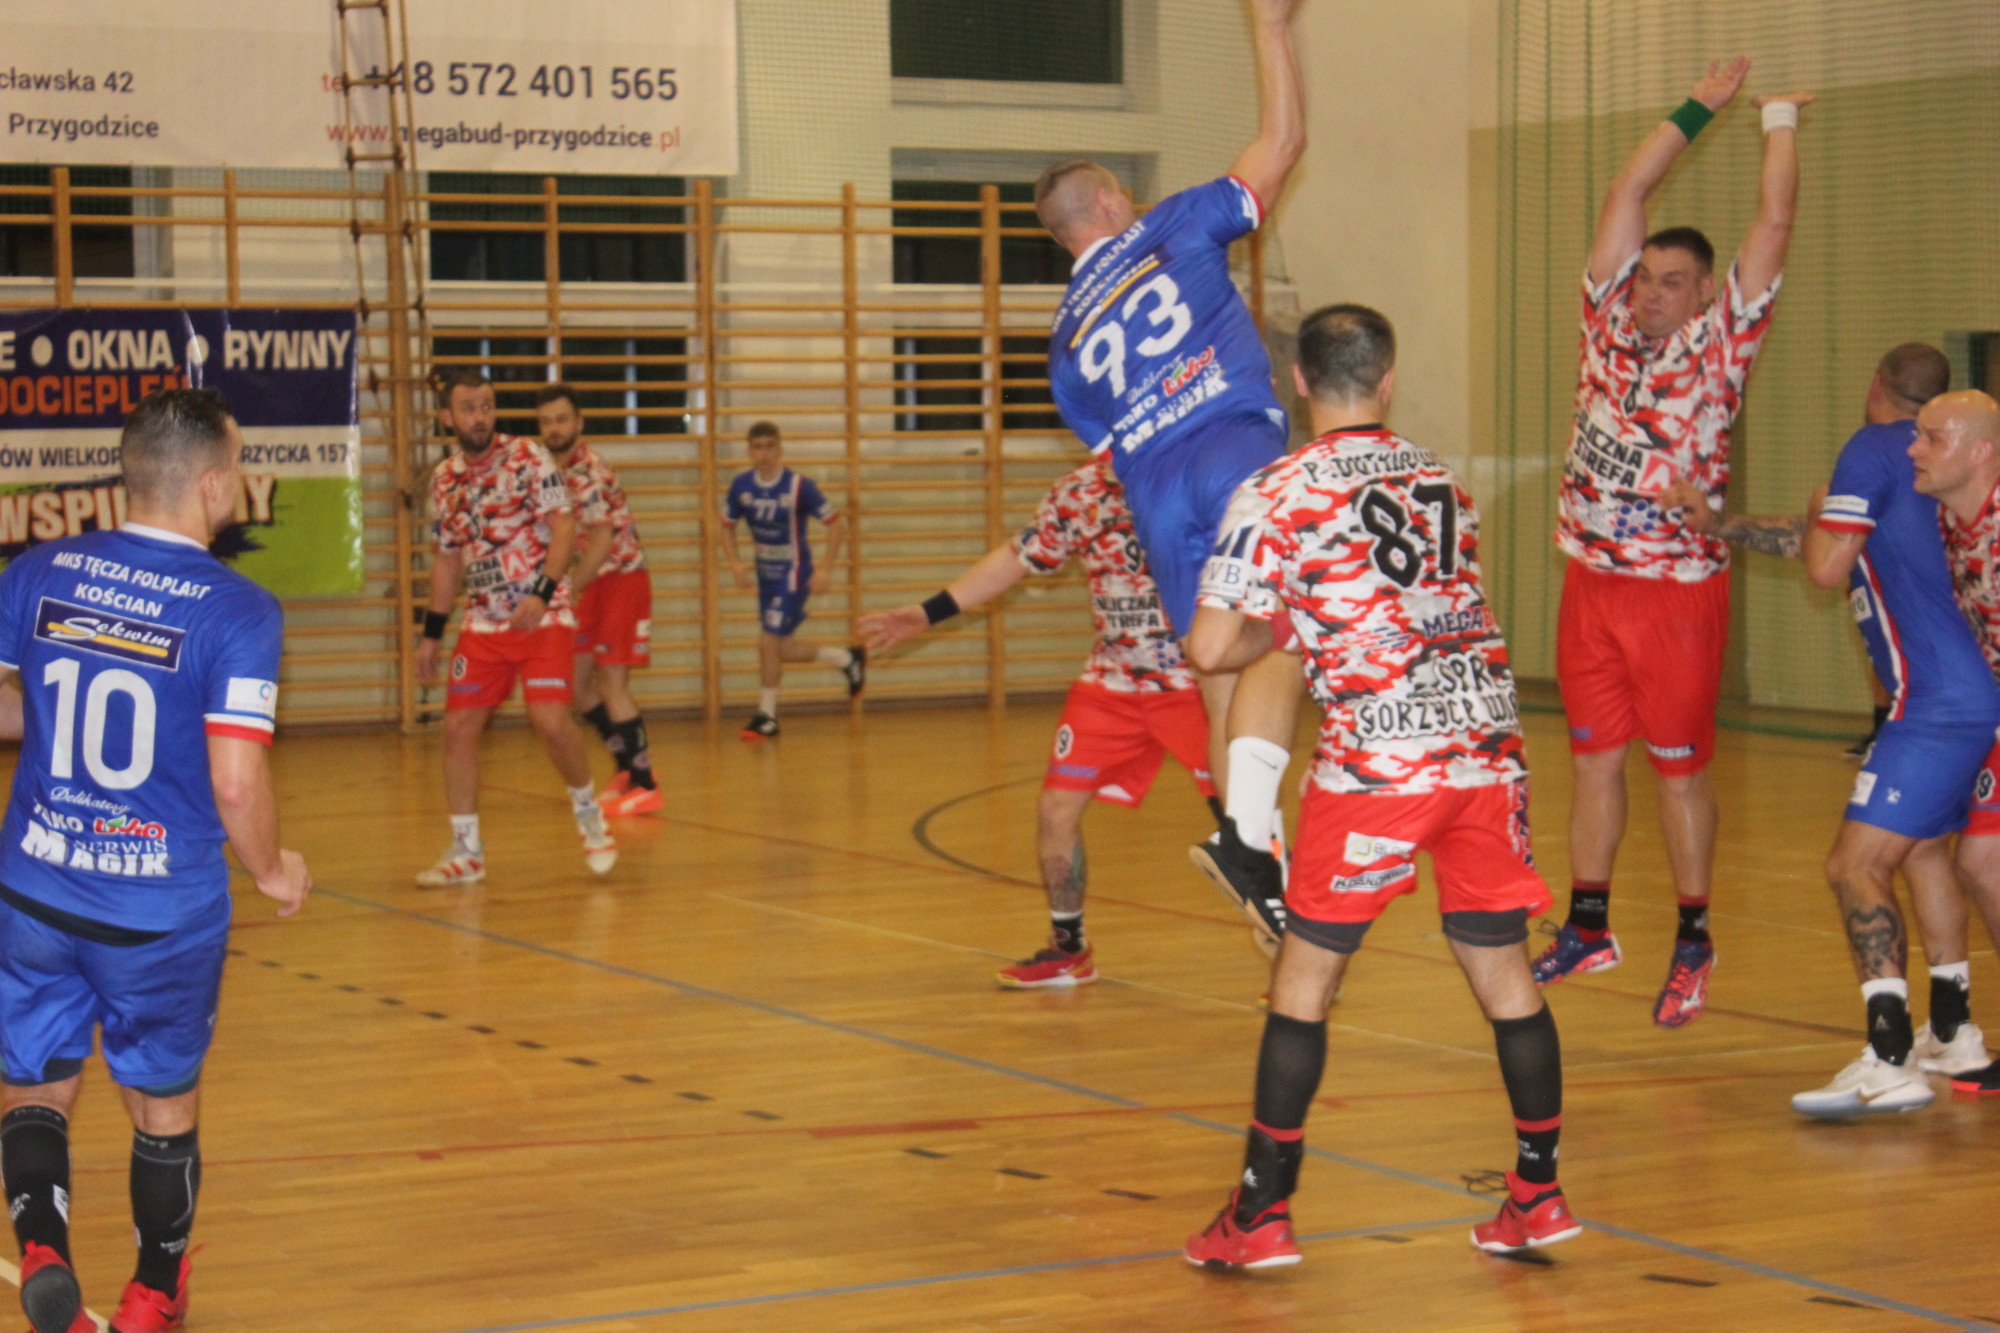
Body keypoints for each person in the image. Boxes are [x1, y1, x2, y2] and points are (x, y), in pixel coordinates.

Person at [1182, 305, 1573, 1267]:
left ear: (1297, 383)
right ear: (1388, 380)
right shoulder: (1439, 477)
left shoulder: (1274, 489)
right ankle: (1538, 1192)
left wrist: (1283, 625)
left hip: (1379, 765)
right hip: (1487, 745)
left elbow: (1211, 646)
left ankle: (1261, 1214)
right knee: (1504, 971)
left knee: (1304, 979)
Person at [0, 388, 312, 1333]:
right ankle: (150, 1294)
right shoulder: (237, 608)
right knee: (163, 1100)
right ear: (212, 483)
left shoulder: (38, 569)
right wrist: (272, 868)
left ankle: (42, 1247)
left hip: (35, 886)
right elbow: (235, 781)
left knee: (35, 1081)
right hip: (157, 913)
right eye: (240, 466)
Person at [1538, 58, 1814, 1028]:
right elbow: (1627, 188)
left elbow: (1772, 225)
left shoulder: (1721, 345)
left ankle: (1693, 939)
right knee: (1591, 762)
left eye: (1670, 283)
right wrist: (1701, 103)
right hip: (1590, 582)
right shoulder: (1604, 321)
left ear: (1703, 294)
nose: (1649, 294)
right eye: (1644, 280)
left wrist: (1775, 118)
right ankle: (1588, 925)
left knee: (1678, 771)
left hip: (1674, 594)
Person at [1037, 0, 1308, 947]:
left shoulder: (1063, 345)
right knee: (1279, 638)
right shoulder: (1175, 224)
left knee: (1219, 666)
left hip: (1155, 496)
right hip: (1231, 447)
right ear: (1113, 203)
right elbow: (1283, 143)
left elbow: (1109, 444)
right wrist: (1271, 31)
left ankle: (1250, 850)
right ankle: (1255, 825)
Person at [1682, 347, 2000, 1113]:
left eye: (1934, 439)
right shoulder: (1928, 486)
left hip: (1936, 703)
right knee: (1940, 854)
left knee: (1854, 864)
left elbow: (1825, 562)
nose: (1919, 448)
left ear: (1873, 386)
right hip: (1969, 699)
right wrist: (1722, 524)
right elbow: (1827, 536)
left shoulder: (1873, 450)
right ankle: (1950, 1029)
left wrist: (1825, 503)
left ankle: (1887, 1057)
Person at [860, 457, 1218, 987]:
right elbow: (1017, 557)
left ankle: (1295, 948)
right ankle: (1068, 949)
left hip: (1197, 684)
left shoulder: (1192, 473)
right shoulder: (1080, 489)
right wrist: (927, 612)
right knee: (1055, 809)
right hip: (1112, 682)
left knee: (1243, 822)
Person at [414, 371, 617, 885]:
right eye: (468, 408)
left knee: (549, 720)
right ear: (447, 417)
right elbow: (448, 560)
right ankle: (467, 851)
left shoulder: (527, 457)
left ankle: (588, 812)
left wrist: (541, 591)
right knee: (458, 729)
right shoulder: (444, 478)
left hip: (542, 615)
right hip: (484, 623)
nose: (479, 417)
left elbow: (565, 526)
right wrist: (431, 634)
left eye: (487, 406)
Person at [1907, 390, 2000, 1097]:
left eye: (1932, 438)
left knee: (1983, 859)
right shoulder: (1943, 516)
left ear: (1981, 452)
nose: (1915, 449)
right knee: (1967, 857)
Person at [536, 384, 661, 818]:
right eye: (546, 422)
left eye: (562, 419)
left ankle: (646, 784)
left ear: (579, 422)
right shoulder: (557, 470)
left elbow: (602, 539)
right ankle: (627, 767)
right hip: (594, 585)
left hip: (621, 580)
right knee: (575, 684)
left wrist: (565, 588)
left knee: (611, 684)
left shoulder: (587, 470)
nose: (554, 429)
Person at [719, 421, 865, 740]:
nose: (764, 454)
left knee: (766, 643)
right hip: (766, 577)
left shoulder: (799, 486)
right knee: (781, 648)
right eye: (758, 447)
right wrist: (735, 564)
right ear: (749, 451)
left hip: (794, 574)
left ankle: (767, 716)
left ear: (780, 449)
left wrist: (824, 569)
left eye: (770, 446)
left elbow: (836, 524)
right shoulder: (741, 486)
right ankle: (846, 658)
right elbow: (726, 526)